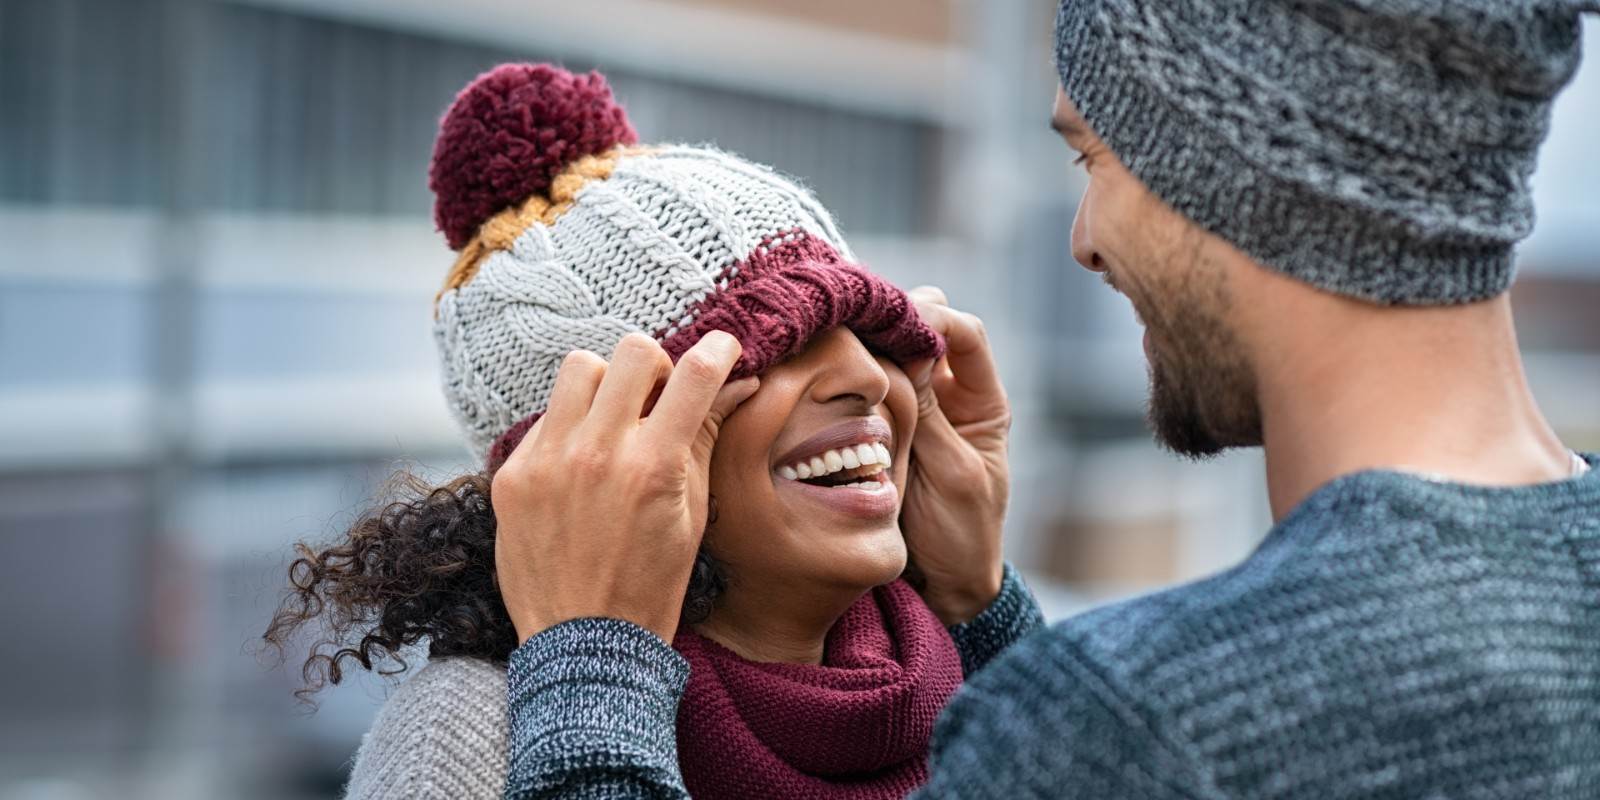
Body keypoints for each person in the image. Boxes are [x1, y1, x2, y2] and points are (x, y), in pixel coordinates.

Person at [490, 1, 1600, 798]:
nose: (1085, 241)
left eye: (1090, 162)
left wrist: (588, 673)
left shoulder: (1136, 720)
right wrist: (985, 608)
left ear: (1217, 163)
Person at [262, 63, 1037, 799]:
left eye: (869, 331)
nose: (868, 376)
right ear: (595, 462)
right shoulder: (471, 732)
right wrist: (595, 673)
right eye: (778, 345)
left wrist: (985, 610)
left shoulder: (976, 674)